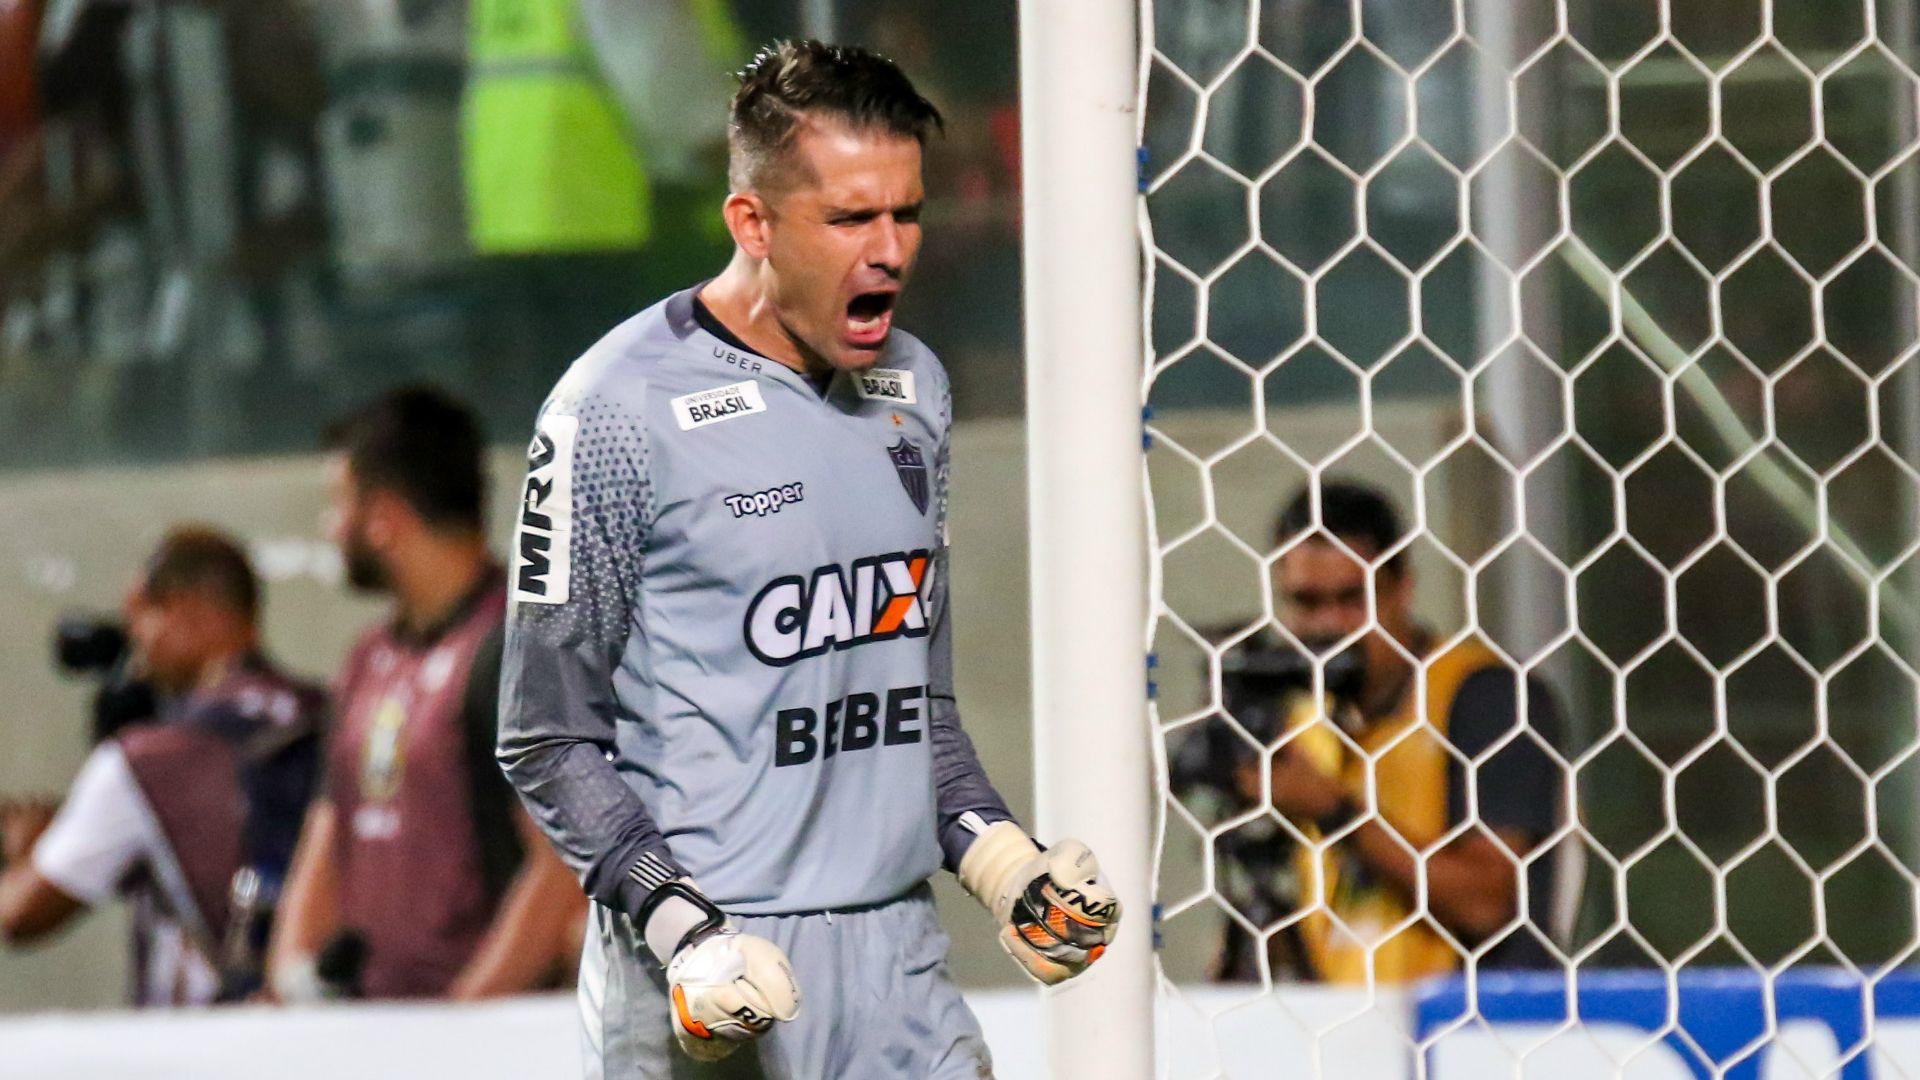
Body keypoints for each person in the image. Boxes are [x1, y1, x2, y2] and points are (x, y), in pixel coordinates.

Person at [497, 41, 1121, 1078]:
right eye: (849, 219)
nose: (890, 253)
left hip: (900, 963)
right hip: (712, 979)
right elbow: (545, 737)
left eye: (906, 213)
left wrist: (1006, 865)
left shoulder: (914, 388)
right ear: (751, 221)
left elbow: (908, 698)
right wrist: (681, 930)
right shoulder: (612, 409)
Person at [267, 387, 583, 1001]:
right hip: (367, 1032)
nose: (332, 528)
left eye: (339, 504)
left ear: (383, 516)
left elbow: (563, 869)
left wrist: (457, 1028)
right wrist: (288, 990)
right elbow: (329, 832)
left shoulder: (514, 652)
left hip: (482, 1043)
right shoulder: (366, 660)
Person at [1199, 481, 1566, 984]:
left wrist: (1333, 810)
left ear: (1402, 590)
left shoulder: (1485, 697)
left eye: (1353, 599)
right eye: (1307, 603)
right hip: (1347, 1036)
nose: (1330, 626)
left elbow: (1488, 902)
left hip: (1477, 1034)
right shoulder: (1304, 725)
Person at [0, 527, 325, 1006]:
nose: (138, 649)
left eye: (143, 616)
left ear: (188, 612)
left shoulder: (149, 761)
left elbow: (19, 913)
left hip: (202, 1046)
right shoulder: (329, 711)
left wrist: (33, 850)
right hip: (325, 1025)